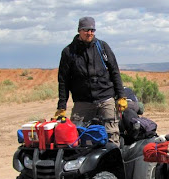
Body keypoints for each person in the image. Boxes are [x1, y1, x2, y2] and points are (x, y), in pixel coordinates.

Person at [54, 17, 127, 145]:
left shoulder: (102, 47)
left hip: (105, 98)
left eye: (92, 30)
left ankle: (114, 163)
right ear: (79, 31)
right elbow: (63, 81)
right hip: (82, 101)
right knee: (76, 136)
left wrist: (121, 96)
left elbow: (115, 71)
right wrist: (62, 107)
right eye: (86, 30)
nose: (90, 33)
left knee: (112, 135)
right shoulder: (69, 52)